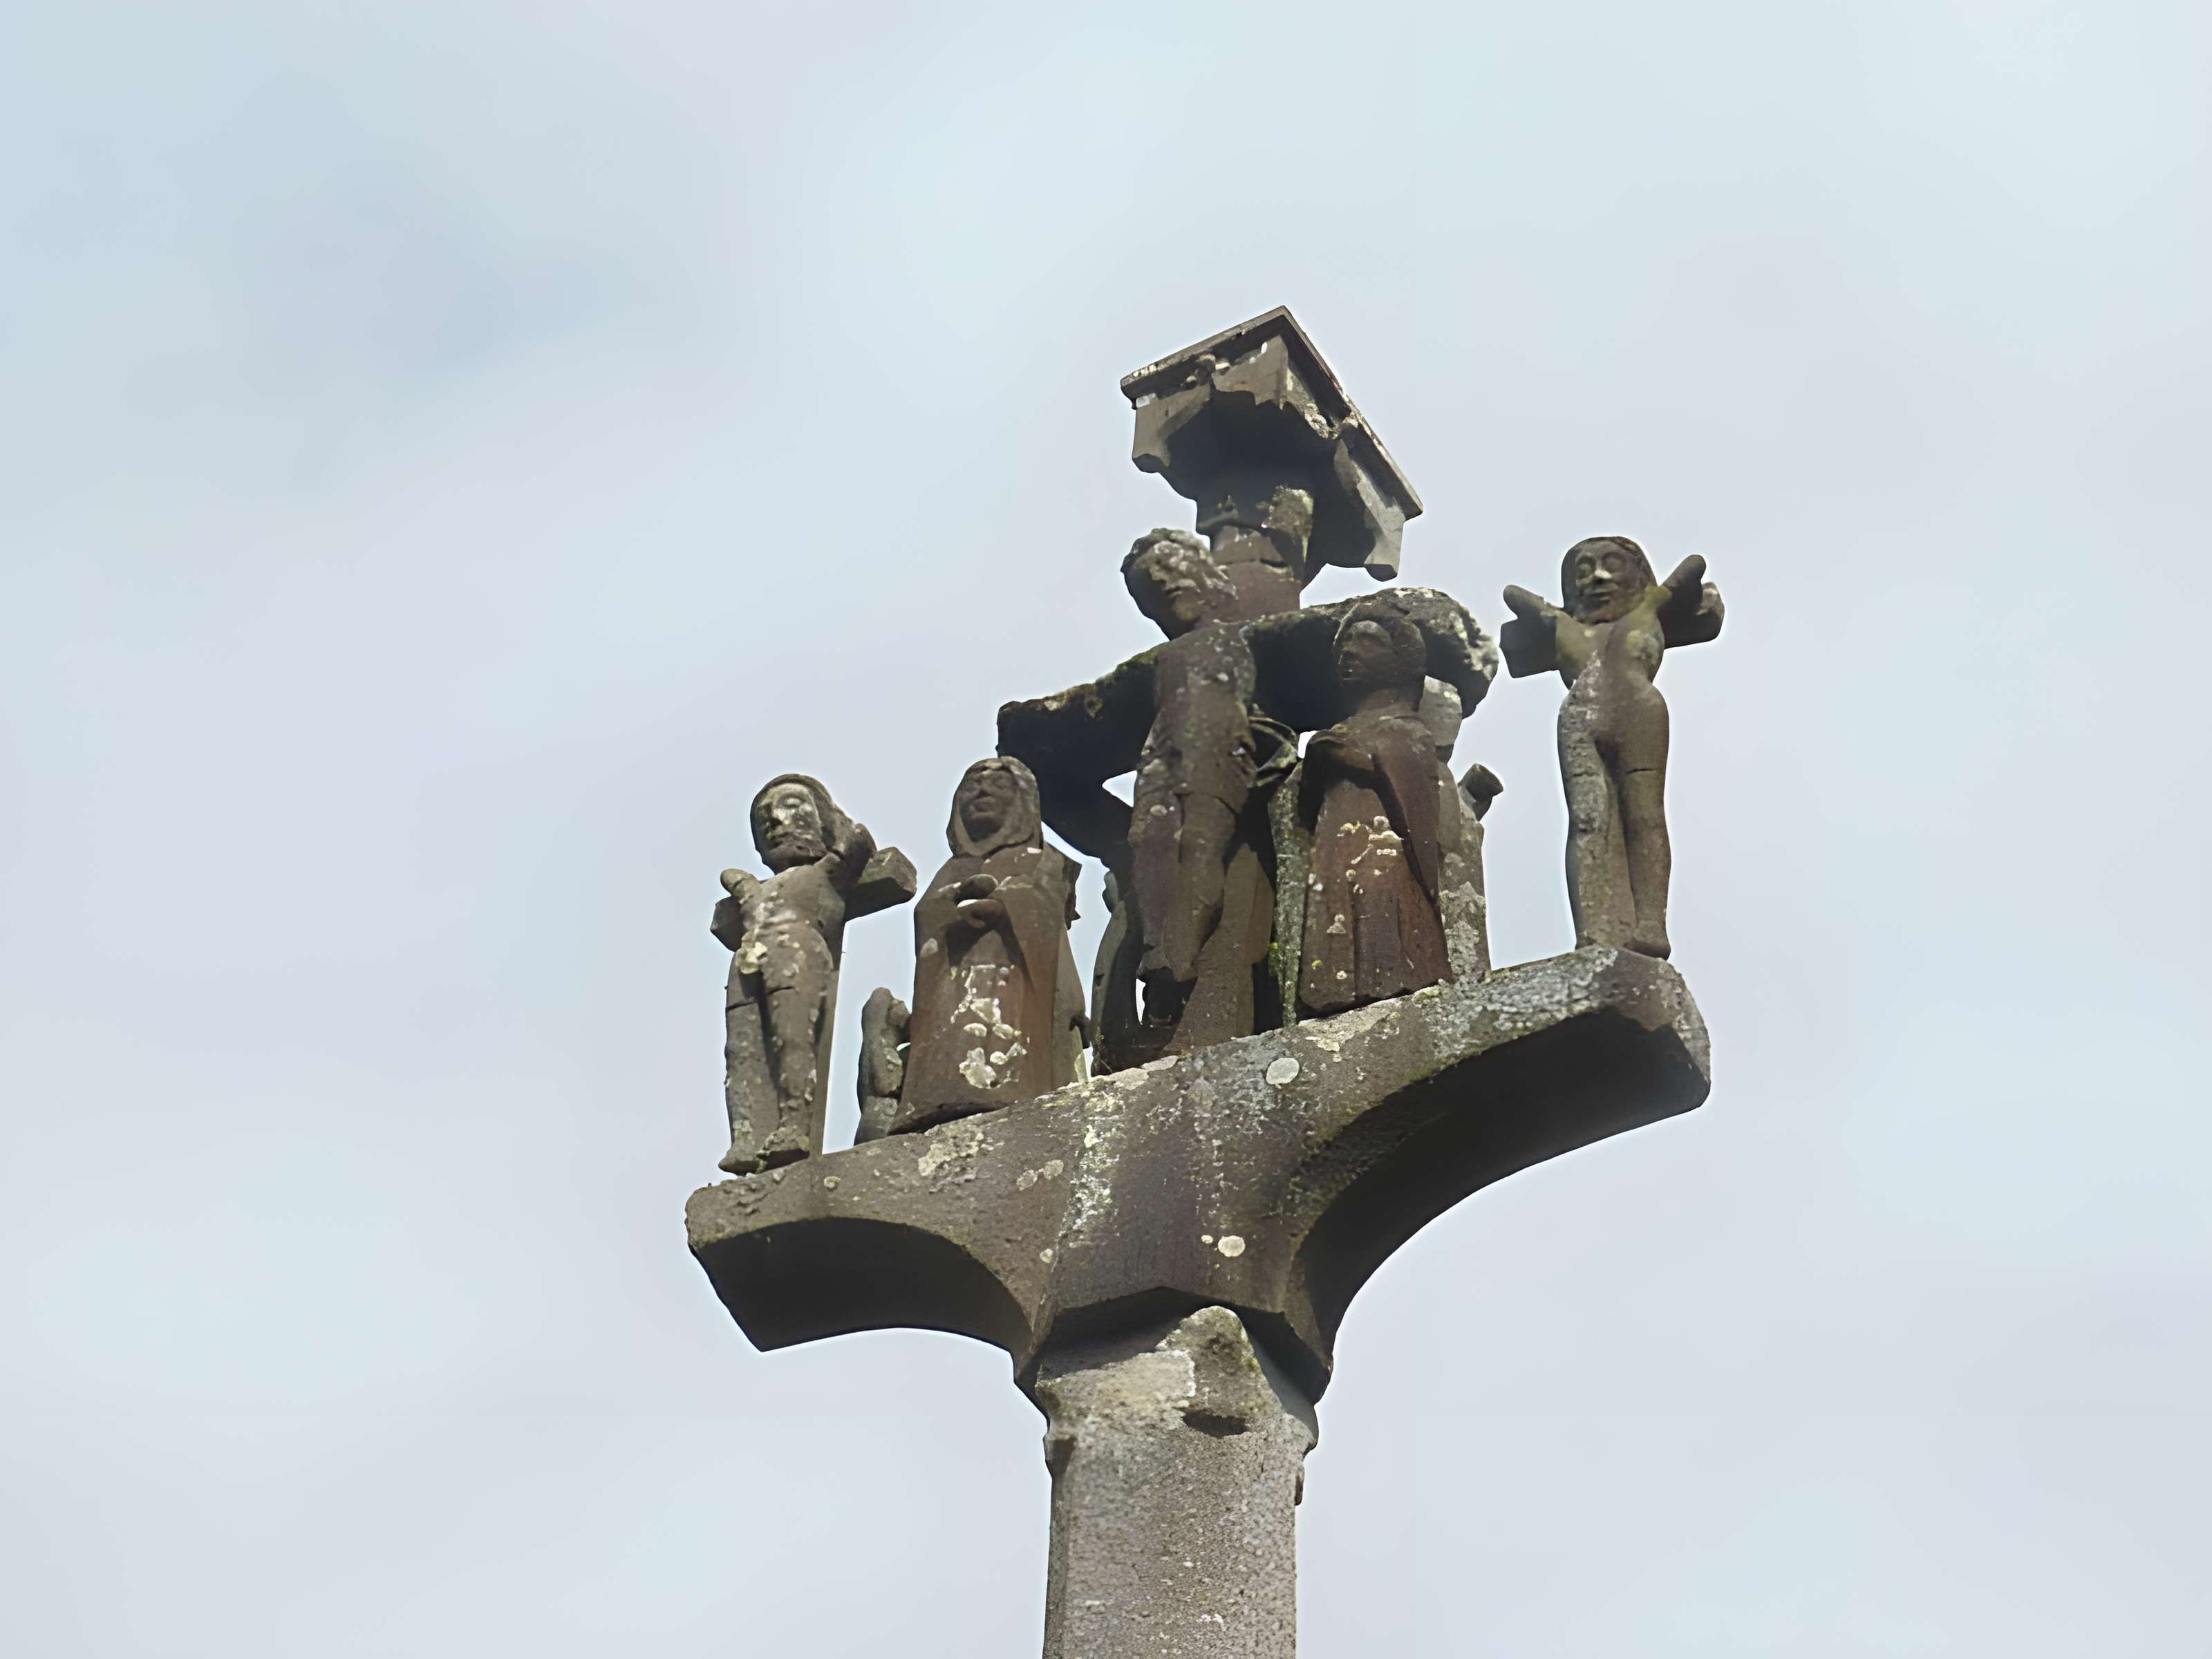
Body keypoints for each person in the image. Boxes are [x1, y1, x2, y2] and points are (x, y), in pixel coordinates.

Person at [1501, 536, 1721, 959]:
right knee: (1587, 820)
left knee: (1644, 814)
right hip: (1580, 716)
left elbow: (1694, 564)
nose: (1598, 577)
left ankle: (1651, 923)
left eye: (1612, 564)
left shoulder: (1647, 607)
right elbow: (1512, 595)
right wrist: (1557, 610)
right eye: (1584, 570)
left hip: (1637, 708)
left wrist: (1654, 593)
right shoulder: (1563, 623)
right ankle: (1595, 930)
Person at [895, 758, 1087, 1130]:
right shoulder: (950, 871)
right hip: (953, 992)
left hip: (1016, 986)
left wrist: (1003, 906)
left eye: (997, 784)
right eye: (970, 785)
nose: (980, 791)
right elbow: (929, 918)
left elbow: (1047, 910)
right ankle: (933, 1098)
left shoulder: (1045, 861)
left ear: (1023, 800)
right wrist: (953, 908)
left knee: (1010, 1049)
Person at [1297, 597, 1453, 1017]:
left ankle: (1397, 980)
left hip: (1383, 847)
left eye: (1367, 643)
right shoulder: (1340, 730)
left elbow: (1413, 778)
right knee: (1333, 910)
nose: (1350, 652)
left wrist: (1361, 759)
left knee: (1383, 901)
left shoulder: (1406, 725)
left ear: (1402, 662)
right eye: (1345, 645)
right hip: (1333, 848)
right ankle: (1334, 990)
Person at [713, 774, 875, 1172]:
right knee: (742, 1049)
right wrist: (743, 885)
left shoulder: (824, 875)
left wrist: (835, 822)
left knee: (792, 1037)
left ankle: (794, 1125)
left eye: (791, 806)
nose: (776, 822)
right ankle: (747, 1137)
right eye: (765, 818)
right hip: (748, 957)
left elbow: (860, 843)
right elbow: (732, 885)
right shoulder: (756, 890)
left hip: (796, 950)